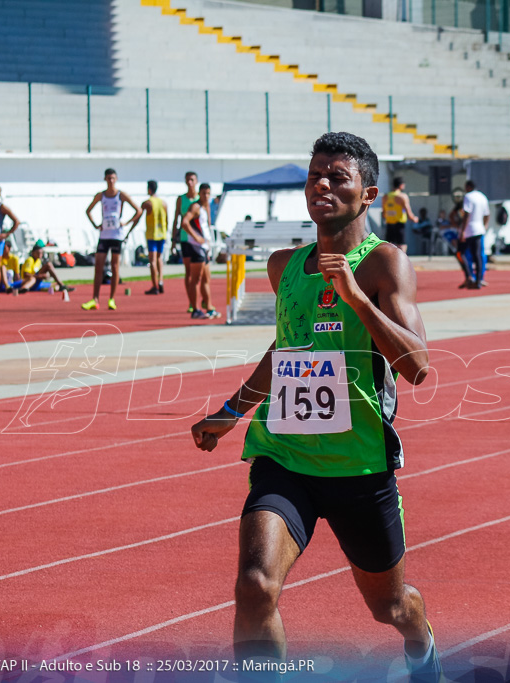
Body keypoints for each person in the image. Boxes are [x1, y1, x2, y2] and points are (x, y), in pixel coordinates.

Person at [189, 132, 442, 683]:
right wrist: (232, 413)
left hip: (359, 468)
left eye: (337, 176)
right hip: (284, 456)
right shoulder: (285, 267)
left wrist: (356, 298)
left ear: (368, 194)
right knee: (255, 584)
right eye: (314, 175)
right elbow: (285, 349)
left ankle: (420, 643)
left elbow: (419, 367)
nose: (321, 184)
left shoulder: (385, 265)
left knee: (390, 607)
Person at [82, 168, 141, 311]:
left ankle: (112, 299)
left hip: (117, 235)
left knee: (115, 267)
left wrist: (126, 223)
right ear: (105, 179)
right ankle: (95, 298)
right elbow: (88, 210)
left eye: (113, 178)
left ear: (116, 179)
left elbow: (138, 211)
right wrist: (96, 225)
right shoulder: (101, 196)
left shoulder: (121, 195)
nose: (111, 181)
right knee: (99, 266)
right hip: (104, 235)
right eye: (108, 178)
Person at [180, 183, 220, 320]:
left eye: (208, 193)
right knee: (195, 279)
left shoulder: (206, 207)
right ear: (199, 193)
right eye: (203, 193)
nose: (206, 196)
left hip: (205, 248)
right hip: (196, 247)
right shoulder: (195, 207)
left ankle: (209, 308)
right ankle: (195, 309)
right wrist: (196, 237)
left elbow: (206, 227)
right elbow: (184, 222)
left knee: (206, 279)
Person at [173, 171, 201, 311]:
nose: (190, 182)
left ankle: (202, 300)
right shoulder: (181, 199)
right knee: (189, 272)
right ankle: (191, 302)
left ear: (196, 181)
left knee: (201, 273)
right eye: (187, 180)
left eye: (192, 180)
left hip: (199, 241)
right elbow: (176, 219)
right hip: (185, 239)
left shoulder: (200, 199)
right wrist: (173, 240)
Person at [460, 180, 490, 289]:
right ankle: (479, 280)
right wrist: (484, 226)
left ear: (468, 187)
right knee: (478, 255)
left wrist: (463, 230)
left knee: (461, 253)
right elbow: (487, 214)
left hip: (469, 230)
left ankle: (469, 276)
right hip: (479, 229)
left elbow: (466, 214)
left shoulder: (468, 197)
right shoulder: (482, 197)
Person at [141, 180, 168, 295]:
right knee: (159, 259)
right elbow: (167, 218)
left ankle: (155, 285)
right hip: (162, 234)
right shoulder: (163, 203)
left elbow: (138, 215)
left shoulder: (147, 203)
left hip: (152, 234)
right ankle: (160, 280)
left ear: (149, 189)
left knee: (152, 260)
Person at [382, 176, 415, 253]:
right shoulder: (402, 196)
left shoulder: (385, 197)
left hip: (389, 224)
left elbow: (383, 213)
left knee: (388, 244)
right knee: (401, 244)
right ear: (401, 185)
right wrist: (414, 219)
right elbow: (409, 213)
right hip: (399, 224)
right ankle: (402, 262)